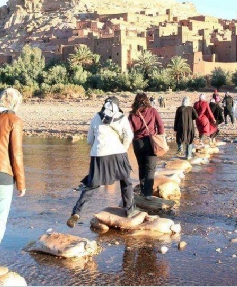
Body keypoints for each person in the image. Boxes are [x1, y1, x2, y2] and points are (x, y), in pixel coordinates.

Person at [67, 96, 136, 228]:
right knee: (126, 182)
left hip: (99, 155)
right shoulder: (121, 117)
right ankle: (129, 210)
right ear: (117, 106)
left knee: (92, 185)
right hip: (118, 153)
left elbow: (89, 140)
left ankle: (76, 213)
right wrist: (123, 148)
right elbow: (129, 136)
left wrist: (98, 148)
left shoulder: (96, 117)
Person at [0, 88, 26, 278]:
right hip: (2, 175)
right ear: (15, 103)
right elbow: (16, 154)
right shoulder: (14, 120)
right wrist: (21, 183)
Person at [128, 93, 165, 200]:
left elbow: (129, 131)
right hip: (150, 141)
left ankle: (143, 190)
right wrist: (159, 136)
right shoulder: (152, 111)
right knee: (150, 168)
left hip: (137, 142)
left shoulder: (132, 114)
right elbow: (160, 125)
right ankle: (147, 194)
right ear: (147, 100)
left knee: (141, 166)